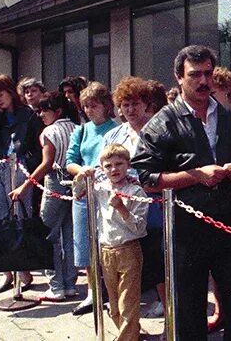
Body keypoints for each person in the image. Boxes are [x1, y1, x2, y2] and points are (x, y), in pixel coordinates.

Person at [132, 45, 231, 340]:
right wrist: (194, 176)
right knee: (188, 313)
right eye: (194, 75)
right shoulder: (163, 123)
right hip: (187, 230)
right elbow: (146, 178)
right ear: (179, 77)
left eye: (208, 73)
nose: (203, 81)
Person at [107, 77, 166, 317]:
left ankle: (167, 309)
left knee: (156, 260)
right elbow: (104, 165)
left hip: (153, 208)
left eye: (135, 104)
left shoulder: (159, 130)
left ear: (146, 104)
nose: (130, 110)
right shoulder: (114, 135)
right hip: (122, 210)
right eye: (125, 105)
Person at [11, 94, 78, 301]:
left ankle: (56, 285)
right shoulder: (76, 127)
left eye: (44, 111)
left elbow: (46, 163)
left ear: (57, 111)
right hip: (73, 181)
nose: (40, 115)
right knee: (68, 234)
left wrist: (25, 185)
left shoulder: (50, 131)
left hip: (56, 181)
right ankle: (69, 283)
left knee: (47, 233)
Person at [79, 143, 147, 341]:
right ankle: (131, 333)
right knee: (114, 305)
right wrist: (82, 175)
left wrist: (122, 209)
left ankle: (127, 338)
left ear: (128, 165)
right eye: (108, 166)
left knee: (129, 301)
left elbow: (140, 228)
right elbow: (78, 192)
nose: (114, 169)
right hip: (106, 250)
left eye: (119, 164)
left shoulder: (135, 191)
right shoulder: (100, 188)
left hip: (128, 250)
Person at [0, 74, 42, 293]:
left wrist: (28, 165)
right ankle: (7, 273)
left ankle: (23, 270)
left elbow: (37, 144)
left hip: (18, 167)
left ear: (10, 92)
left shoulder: (27, 114)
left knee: (19, 218)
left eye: (1, 95)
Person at [65, 81, 120, 316]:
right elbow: (70, 160)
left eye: (94, 105)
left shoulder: (115, 129)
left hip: (107, 192)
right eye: (85, 106)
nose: (89, 110)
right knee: (86, 244)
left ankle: (112, 292)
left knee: (108, 244)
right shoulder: (81, 130)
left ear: (106, 106)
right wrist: (82, 170)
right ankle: (92, 292)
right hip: (84, 191)